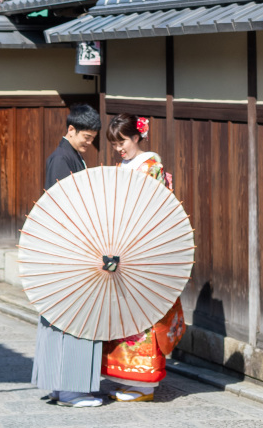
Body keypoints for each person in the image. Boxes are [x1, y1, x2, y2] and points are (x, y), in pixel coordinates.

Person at [100, 112, 186, 403]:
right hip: (121, 249)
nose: (119, 148)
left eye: (122, 141)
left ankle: (144, 384)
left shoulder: (151, 167)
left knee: (144, 316)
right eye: (114, 143)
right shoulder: (123, 166)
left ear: (137, 137)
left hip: (143, 251)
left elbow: (156, 212)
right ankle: (124, 377)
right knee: (122, 314)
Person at [31, 103, 105, 408]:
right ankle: (71, 388)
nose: (89, 143)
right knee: (78, 317)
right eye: (86, 137)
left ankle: (60, 386)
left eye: (92, 138)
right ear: (70, 130)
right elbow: (64, 208)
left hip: (68, 248)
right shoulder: (62, 159)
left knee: (64, 318)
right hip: (70, 250)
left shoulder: (69, 156)